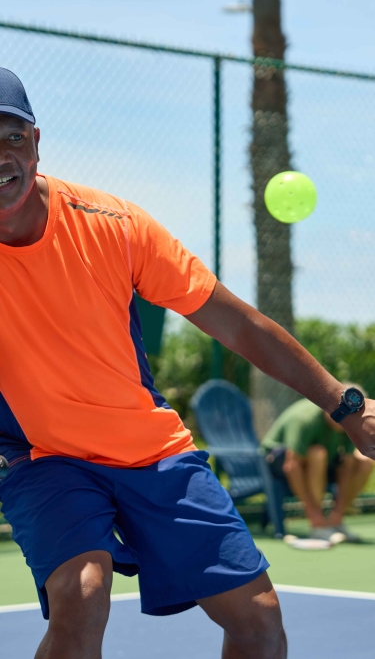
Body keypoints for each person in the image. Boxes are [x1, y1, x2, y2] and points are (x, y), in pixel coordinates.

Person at [0, 67, 374, 659]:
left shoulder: (115, 226)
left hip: (152, 451)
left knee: (258, 623)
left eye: (11, 137)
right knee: (82, 594)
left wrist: (343, 403)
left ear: (36, 143)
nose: (1, 157)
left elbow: (238, 323)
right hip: (46, 457)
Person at [263, 388, 374, 542]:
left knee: (365, 461)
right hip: (275, 461)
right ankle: (317, 524)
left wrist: (336, 513)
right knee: (317, 454)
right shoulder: (304, 419)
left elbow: (347, 464)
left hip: (323, 461)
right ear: (332, 404)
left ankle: (335, 521)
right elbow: (291, 465)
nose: (350, 416)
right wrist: (314, 514)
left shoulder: (349, 419)